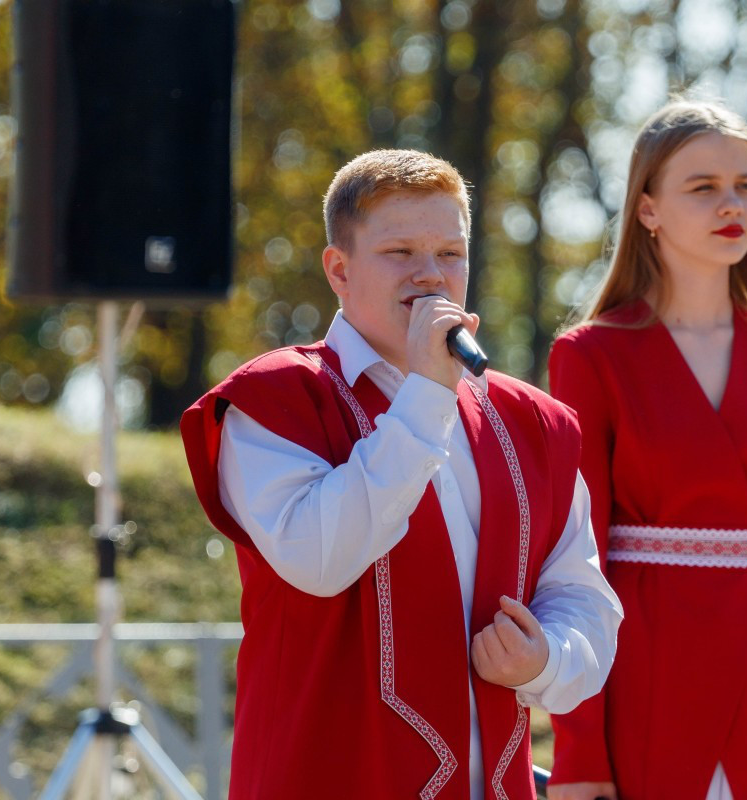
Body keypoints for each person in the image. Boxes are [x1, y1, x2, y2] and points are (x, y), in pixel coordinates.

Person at [181, 149, 622, 800]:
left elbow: (585, 600)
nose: (431, 277)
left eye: (450, 253)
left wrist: (546, 658)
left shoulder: (535, 422)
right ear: (339, 269)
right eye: (400, 253)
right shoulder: (275, 401)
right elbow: (320, 558)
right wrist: (425, 397)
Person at [545, 101, 747, 800]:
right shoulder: (591, 356)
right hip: (646, 674)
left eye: (745, 185)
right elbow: (572, 558)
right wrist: (581, 755)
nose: (731, 204)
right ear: (648, 209)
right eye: (703, 186)